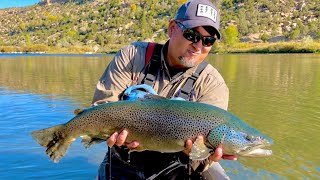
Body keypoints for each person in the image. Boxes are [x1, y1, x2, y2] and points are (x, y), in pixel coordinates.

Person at [92, 0, 236, 179]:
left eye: (208, 41)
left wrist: (203, 154)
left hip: (178, 167)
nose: (198, 46)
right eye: (192, 35)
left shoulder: (213, 84)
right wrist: (114, 134)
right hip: (124, 161)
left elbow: (206, 153)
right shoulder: (133, 56)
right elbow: (101, 108)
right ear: (172, 28)